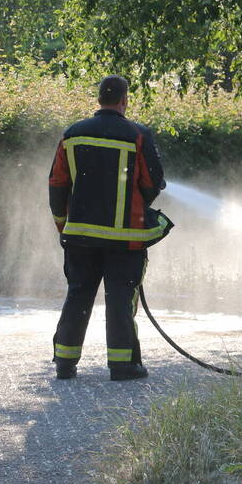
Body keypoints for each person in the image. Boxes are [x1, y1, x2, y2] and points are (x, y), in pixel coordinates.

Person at [47, 74, 173, 381]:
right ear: (124, 100)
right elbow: (152, 183)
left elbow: (57, 184)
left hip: (80, 237)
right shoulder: (137, 135)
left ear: (99, 99)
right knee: (119, 299)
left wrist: (64, 225)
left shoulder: (73, 134)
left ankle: (65, 362)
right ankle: (123, 365)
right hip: (125, 240)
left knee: (78, 294)